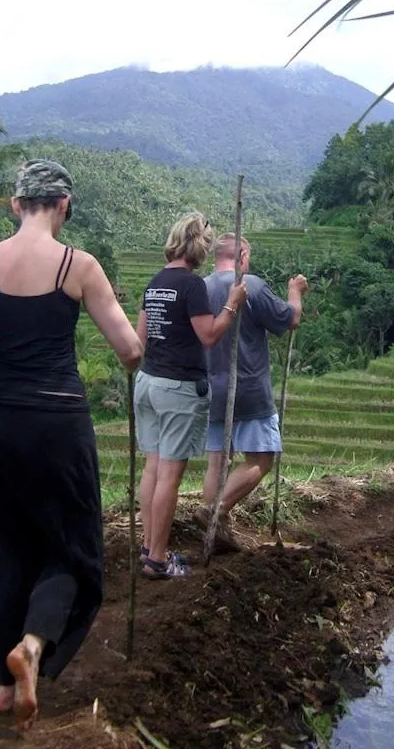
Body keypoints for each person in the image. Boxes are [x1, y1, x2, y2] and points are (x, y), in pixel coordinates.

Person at [0, 159, 142, 731]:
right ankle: (32, 644)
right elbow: (128, 350)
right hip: (60, 424)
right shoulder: (81, 265)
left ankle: (2, 689)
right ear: (65, 207)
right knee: (73, 547)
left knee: (4, 547)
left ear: (14, 204)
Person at [134, 212, 247, 580]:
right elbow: (209, 335)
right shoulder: (191, 285)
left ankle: (149, 546)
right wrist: (232, 303)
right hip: (179, 387)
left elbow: (140, 339)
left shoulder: (155, 283)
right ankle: (158, 558)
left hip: (148, 381)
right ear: (200, 246)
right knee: (170, 474)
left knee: (152, 468)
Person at [199, 234, 308, 546]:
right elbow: (291, 319)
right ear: (242, 255)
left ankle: (214, 533)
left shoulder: (201, 288)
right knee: (262, 458)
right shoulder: (252, 286)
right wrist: (294, 290)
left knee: (217, 462)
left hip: (211, 388)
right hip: (248, 387)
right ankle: (215, 511)